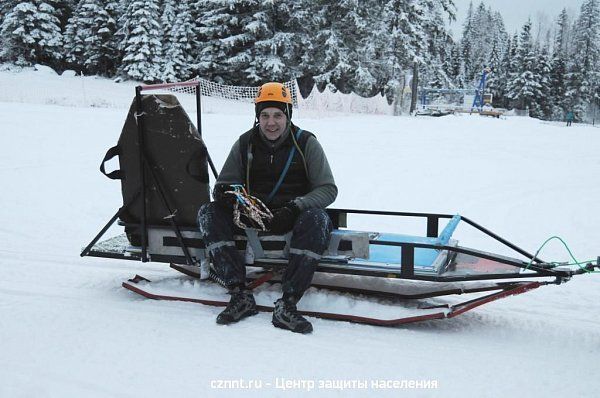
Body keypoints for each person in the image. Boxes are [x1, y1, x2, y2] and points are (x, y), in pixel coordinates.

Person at [197, 82, 337, 334]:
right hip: (252, 215)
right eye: (264, 115)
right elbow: (225, 184)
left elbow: (327, 189)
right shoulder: (245, 143)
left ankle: (288, 303)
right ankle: (239, 293)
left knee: (318, 219)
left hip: (293, 216)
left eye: (277, 115)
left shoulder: (306, 144)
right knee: (208, 212)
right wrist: (230, 198)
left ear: (288, 115)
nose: (271, 122)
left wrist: (295, 208)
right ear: (257, 116)